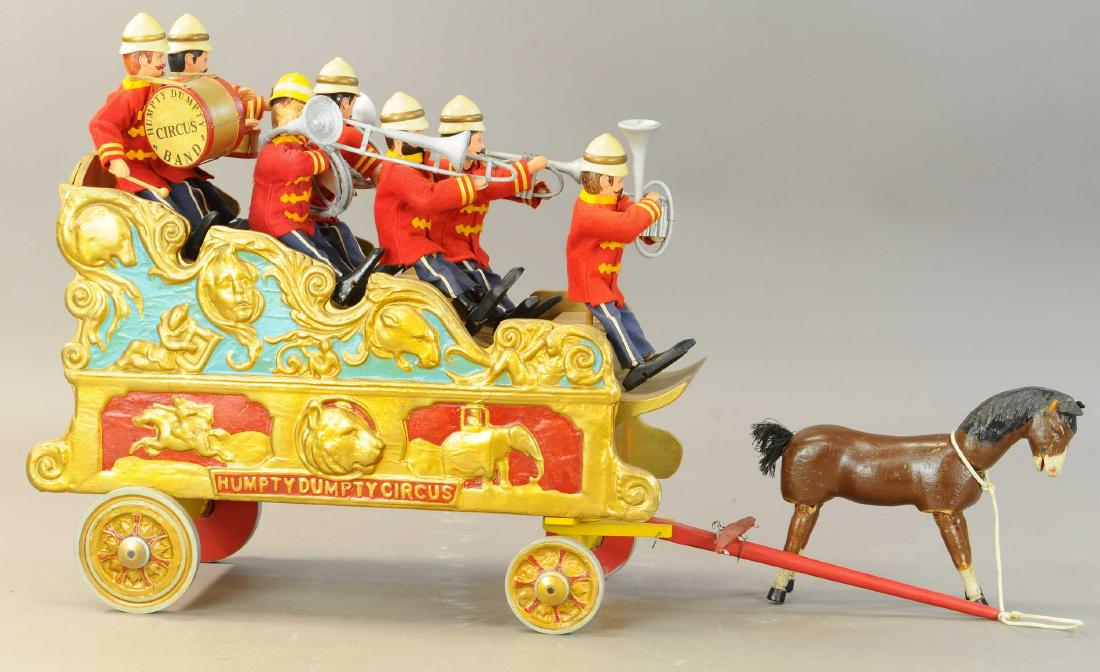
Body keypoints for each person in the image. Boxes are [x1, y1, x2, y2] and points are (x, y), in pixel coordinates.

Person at [372, 91, 512, 332]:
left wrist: (516, 182)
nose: (421, 138)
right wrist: (469, 184)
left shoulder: (416, 164)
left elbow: (450, 178)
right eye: (415, 134)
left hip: (421, 242)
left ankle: (482, 301)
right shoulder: (397, 169)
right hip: (403, 244)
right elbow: (427, 198)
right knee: (438, 272)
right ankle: (466, 306)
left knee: (451, 270)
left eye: (420, 133)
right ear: (398, 140)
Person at [565, 133, 695, 390]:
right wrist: (650, 207)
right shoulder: (587, 211)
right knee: (612, 320)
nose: (621, 185)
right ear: (604, 180)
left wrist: (648, 231)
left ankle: (646, 355)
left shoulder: (610, 202)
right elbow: (625, 228)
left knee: (624, 314)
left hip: (605, 281)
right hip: (590, 282)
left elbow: (629, 215)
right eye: (618, 180)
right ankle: (634, 365)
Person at [248, 73, 378, 306]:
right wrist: (326, 156)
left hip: (299, 221)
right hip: (277, 223)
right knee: (317, 256)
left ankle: (353, 279)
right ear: (282, 106)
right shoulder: (273, 150)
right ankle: (341, 286)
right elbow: (299, 165)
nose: (303, 117)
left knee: (327, 248)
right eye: (299, 110)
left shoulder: (299, 146)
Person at [88, 12, 209, 258]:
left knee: (187, 185)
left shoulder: (158, 85)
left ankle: (204, 232)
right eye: (159, 57)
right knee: (162, 204)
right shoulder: (127, 96)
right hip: (136, 169)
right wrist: (115, 158)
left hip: (160, 161)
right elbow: (101, 123)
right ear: (142, 58)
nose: (164, 62)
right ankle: (183, 245)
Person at [430, 94, 559, 323]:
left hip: (468, 248)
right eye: (478, 140)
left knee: (491, 279)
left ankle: (509, 312)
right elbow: (490, 186)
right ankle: (501, 317)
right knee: (480, 278)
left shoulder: (474, 167)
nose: (483, 146)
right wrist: (527, 169)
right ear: (462, 142)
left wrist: (531, 192)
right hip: (449, 249)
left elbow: (497, 186)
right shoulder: (445, 170)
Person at [165, 13, 262, 237]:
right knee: (187, 191)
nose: (207, 66)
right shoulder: (172, 92)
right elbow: (198, 123)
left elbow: (217, 99)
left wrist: (244, 99)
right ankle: (198, 235)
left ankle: (227, 224)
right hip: (170, 166)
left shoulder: (196, 84)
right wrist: (239, 124)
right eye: (204, 60)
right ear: (189, 60)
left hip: (185, 165)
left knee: (208, 191)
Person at [309, 57, 378, 270]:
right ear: (346, 102)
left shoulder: (307, 128)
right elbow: (383, 176)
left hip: (308, 214)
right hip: (317, 219)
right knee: (350, 257)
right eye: (352, 104)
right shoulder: (348, 134)